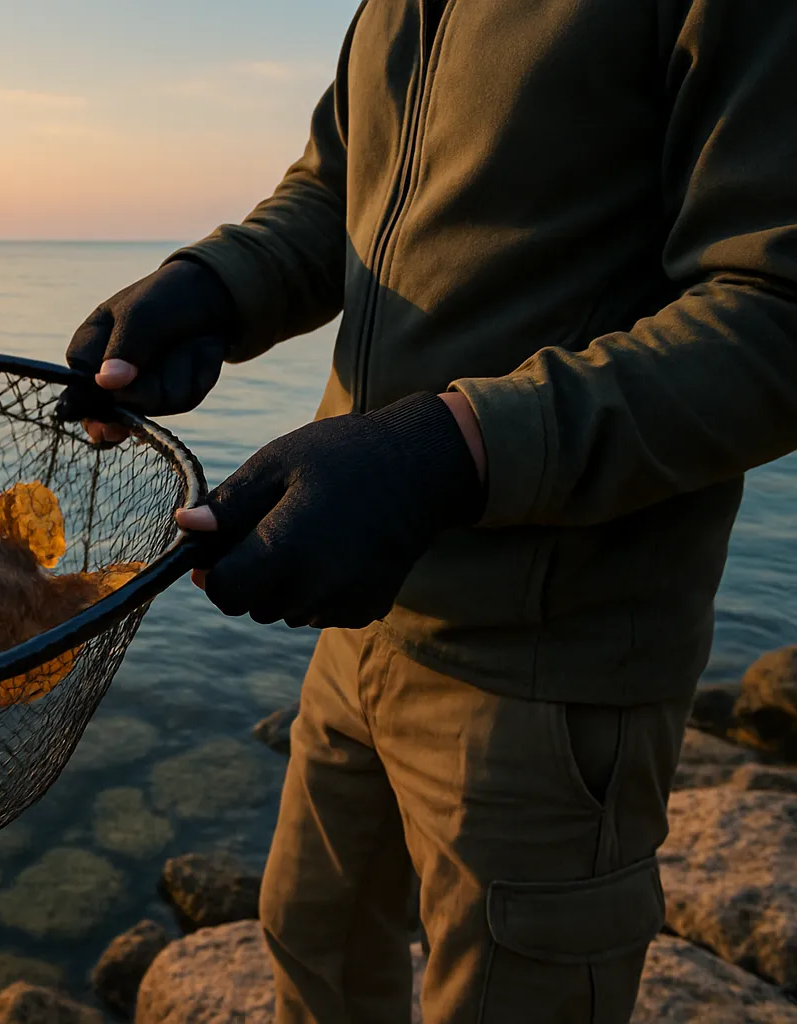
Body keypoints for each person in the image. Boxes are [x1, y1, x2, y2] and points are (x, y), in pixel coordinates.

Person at [60, 3, 797, 1022]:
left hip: (549, 660)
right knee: (312, 945)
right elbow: (339, 190)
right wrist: (217, 283)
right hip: (360, 627)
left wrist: (449, 453)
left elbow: (774, 310)